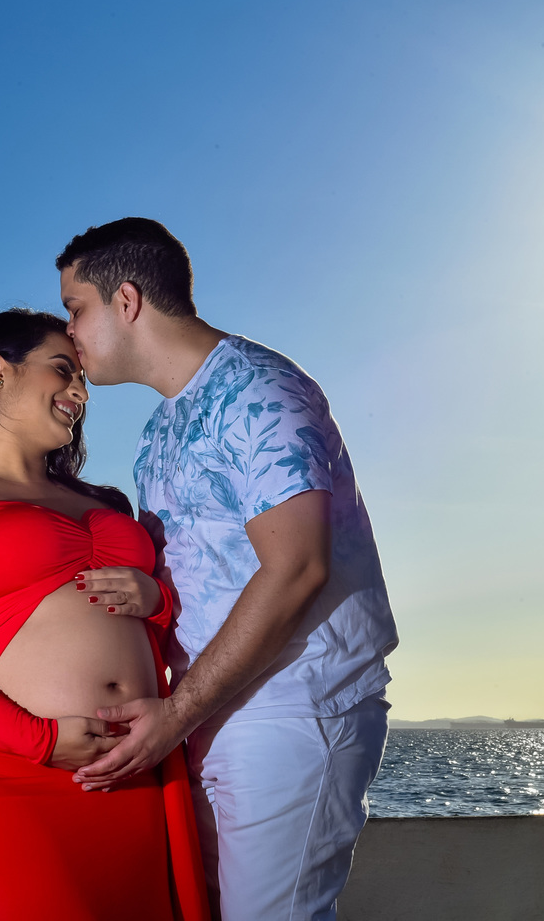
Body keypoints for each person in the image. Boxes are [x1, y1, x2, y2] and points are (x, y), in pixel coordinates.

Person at [56, 218, 398, 920]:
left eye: (74, 308)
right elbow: (206, 569)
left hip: (294, 708)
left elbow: (297, 566)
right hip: (214, 709)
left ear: (125, 301)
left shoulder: (260, 390)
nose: (69, 334)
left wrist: (174, 716)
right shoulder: (160, 430)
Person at [0, 309, 209, 921]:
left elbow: (155, 613)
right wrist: (40, 740)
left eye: (82, 379)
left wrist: (159, 600)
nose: (80, 392)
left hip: (129, 775)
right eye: (62, 370)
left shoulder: (106, 503)